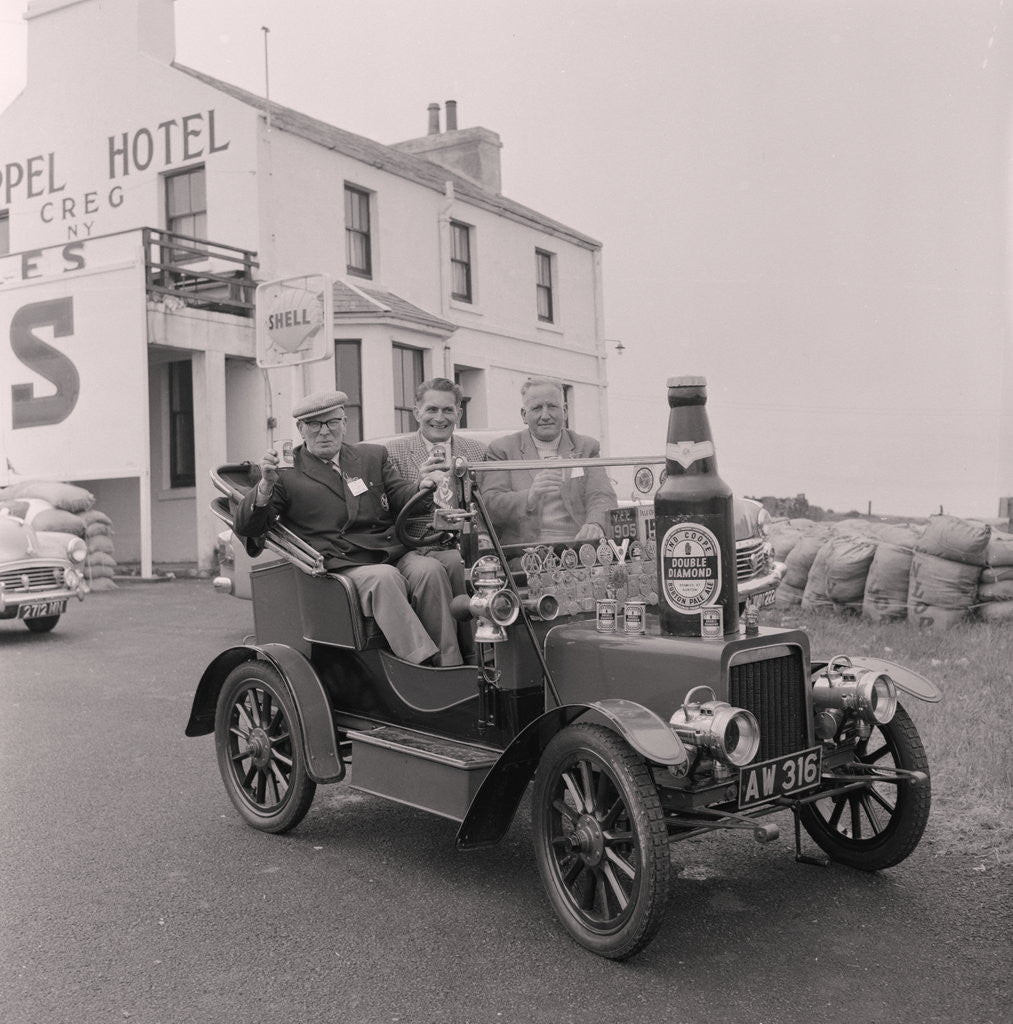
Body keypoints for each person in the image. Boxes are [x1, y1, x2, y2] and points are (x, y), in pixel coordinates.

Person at [234, 390, 463, 667]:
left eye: (331, 423)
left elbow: (400, 495)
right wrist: (265, 487)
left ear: (344, 423)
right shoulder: (285, 472)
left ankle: (450, 663)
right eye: (314, 425)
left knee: (431, 570)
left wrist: (421, 487)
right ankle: (419, 666)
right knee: (385, 579)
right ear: (300, 429)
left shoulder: (370, 456)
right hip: (340, 561)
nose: (324, 432)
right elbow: (250, 527)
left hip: (389, 549)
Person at [385, 378, 488, 662]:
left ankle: (479, 657)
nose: (439, 418)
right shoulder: (393, 453)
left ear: (459, 413)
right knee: (434, 571)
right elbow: (386, 509)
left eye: (447, 410)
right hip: (412, 546)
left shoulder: (476, 452)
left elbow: (486, 503)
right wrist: (417, 484)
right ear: (416, 412)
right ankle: (449, 662)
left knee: (462, 562)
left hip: (462, 544)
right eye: (431, 409)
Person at [482, 377, 617, 545]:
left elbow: (601, 495)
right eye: (537, 408)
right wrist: (529, 496)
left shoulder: (585, 447)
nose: (545, 415)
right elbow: (490, 504)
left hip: (578, 546)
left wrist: (595, 523)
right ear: (524, 415)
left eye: (552, 406)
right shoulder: (502, 449)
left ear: (565, 411)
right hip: (525, 552)